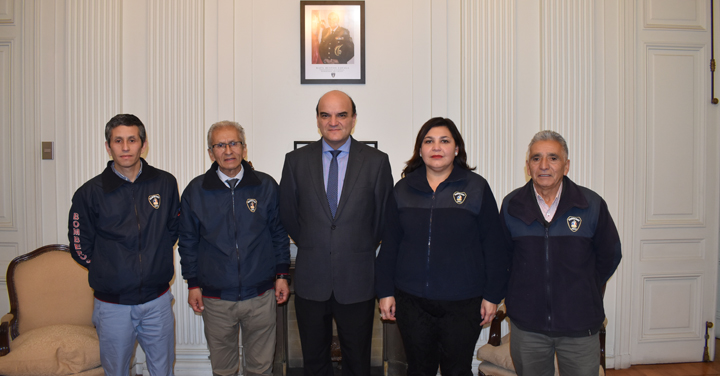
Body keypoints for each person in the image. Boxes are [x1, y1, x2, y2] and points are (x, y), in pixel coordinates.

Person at [375, 117, 509, 376]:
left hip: (463, 302)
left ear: (456, 148)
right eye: (429, 141)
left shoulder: (476, 187)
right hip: (411, 300)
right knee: (418, 369)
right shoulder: (402, 189)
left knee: (457, 370)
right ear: (421, 149)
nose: (436, 147)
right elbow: (390, 244)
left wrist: (493, 296)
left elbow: (494, 246)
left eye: (444, 141)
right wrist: (385, 292)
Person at [279, 90, 393, 376]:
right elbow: (289, 215)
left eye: (341, 114)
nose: (333, 122)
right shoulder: (295, 161)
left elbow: (382, 219)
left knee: (358, 362)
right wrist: (312, 242)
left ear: (353, 119)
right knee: (314, 363)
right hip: (311, 279)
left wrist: (357, 245)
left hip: (357, 280)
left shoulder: (377, 162)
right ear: (317, 120)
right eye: (325, 115)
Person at [500, 130, 622, 376]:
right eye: (536, 158)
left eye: (553, 158)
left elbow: (609, 255)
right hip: (528, 326)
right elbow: (502, 258)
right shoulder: (512, 205)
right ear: (528, 166)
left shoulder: (591, 205)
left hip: (580, 325)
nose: (544, 165)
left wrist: (584, 286)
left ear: (566, 166)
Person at [68, 114, 179, 376]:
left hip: (157, 301)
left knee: (163, 370)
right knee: (116, 371)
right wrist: (109, 269)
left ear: (144, 144)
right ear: (108, 146)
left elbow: (174, 228)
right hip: (112, 306)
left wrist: (156, 258)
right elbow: (79, 245)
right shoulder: (90, 192)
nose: (126, 147)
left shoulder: (165, 183)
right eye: (118, 141)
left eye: (132, 140)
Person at [178, 121, 290, 376]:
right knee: (224, 369)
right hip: (216, 299)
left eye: (234, 143)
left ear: (244, 148)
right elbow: (187, 242)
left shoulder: (266, 186)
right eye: (220, 145)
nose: (228, 150)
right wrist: (192, 283)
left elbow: (279, 233)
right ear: (211, 152)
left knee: (260, 368)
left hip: (261, 295)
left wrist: (282, 276)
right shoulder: (196, 191)